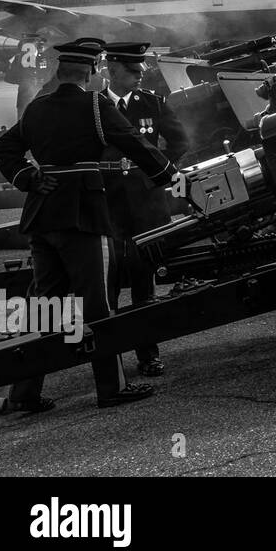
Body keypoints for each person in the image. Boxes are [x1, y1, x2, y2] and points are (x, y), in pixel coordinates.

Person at [0, 37, 176, 412]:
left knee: (43, 303)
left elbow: (3, 149)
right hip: (85, 215)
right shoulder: (96, 106)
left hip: (43, 214)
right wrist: (166, 173)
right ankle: (111, 387)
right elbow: (133, 143)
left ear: (61, 72)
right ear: (91, 72)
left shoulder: (37, 108)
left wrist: (27, 177)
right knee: (98, 304)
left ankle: (24, 392)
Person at [101, 41, 189, 377]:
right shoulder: (95, 107)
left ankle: (147, 354)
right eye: (133, 71)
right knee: (106, 287)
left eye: (141, 71)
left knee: (143, 286)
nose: (140, 76)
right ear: (113, 71)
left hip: (145, 207)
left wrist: (158, 172)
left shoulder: (152, 103)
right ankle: (110, 360)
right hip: (108, 206)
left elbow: (180, 141)